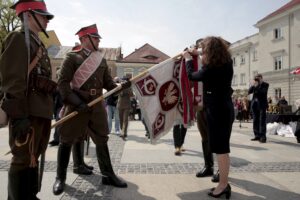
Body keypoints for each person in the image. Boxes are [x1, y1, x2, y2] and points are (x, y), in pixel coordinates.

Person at [52, 24, 129, 195]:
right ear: (84, 39)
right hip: (77, 104)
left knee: (102, 139)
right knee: (66, 139)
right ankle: (60, 178)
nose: (98, 41)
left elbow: (109, 84)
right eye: (95, 38)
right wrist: (76, 102)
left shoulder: (100, 59)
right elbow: (63, 84)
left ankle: (108, 174)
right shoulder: (71, 58)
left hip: (96, 105)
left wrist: (121, 86)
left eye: (98, 38)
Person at [0, 0, 55, 199]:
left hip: (40, 110)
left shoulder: (37, 42)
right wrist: (19, 115)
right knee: (22, 158)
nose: (47, 20)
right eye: (43, 16)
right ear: (28, 15)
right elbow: (13, 80)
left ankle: (29, 195)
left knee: (35, 154)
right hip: (26, 111)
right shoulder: (18, 38)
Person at [183, 36, 234, 198]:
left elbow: (192, 75)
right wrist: (195, 51)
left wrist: (187, 60)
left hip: (217, 111)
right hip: (224, 108)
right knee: (222, 149)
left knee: (221, 150)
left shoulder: (211, 67)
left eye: (204, 50)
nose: (202, 53)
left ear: (210, 52)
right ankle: (223, 183)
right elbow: (205, 53)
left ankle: (223, 185)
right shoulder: (226, 62)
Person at [248, 74, 269, 143]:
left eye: (258, 78)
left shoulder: (265, 84)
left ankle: (263, 137)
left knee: (262, 121)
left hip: (262, 105)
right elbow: (249, 91)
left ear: (261, 78)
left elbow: (262, 92)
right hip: (254, 105)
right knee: (255, 121)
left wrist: (257, 86)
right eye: (256, 78)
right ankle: (257, 135)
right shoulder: (255, 85)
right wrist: (253, 84)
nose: (257, 80)